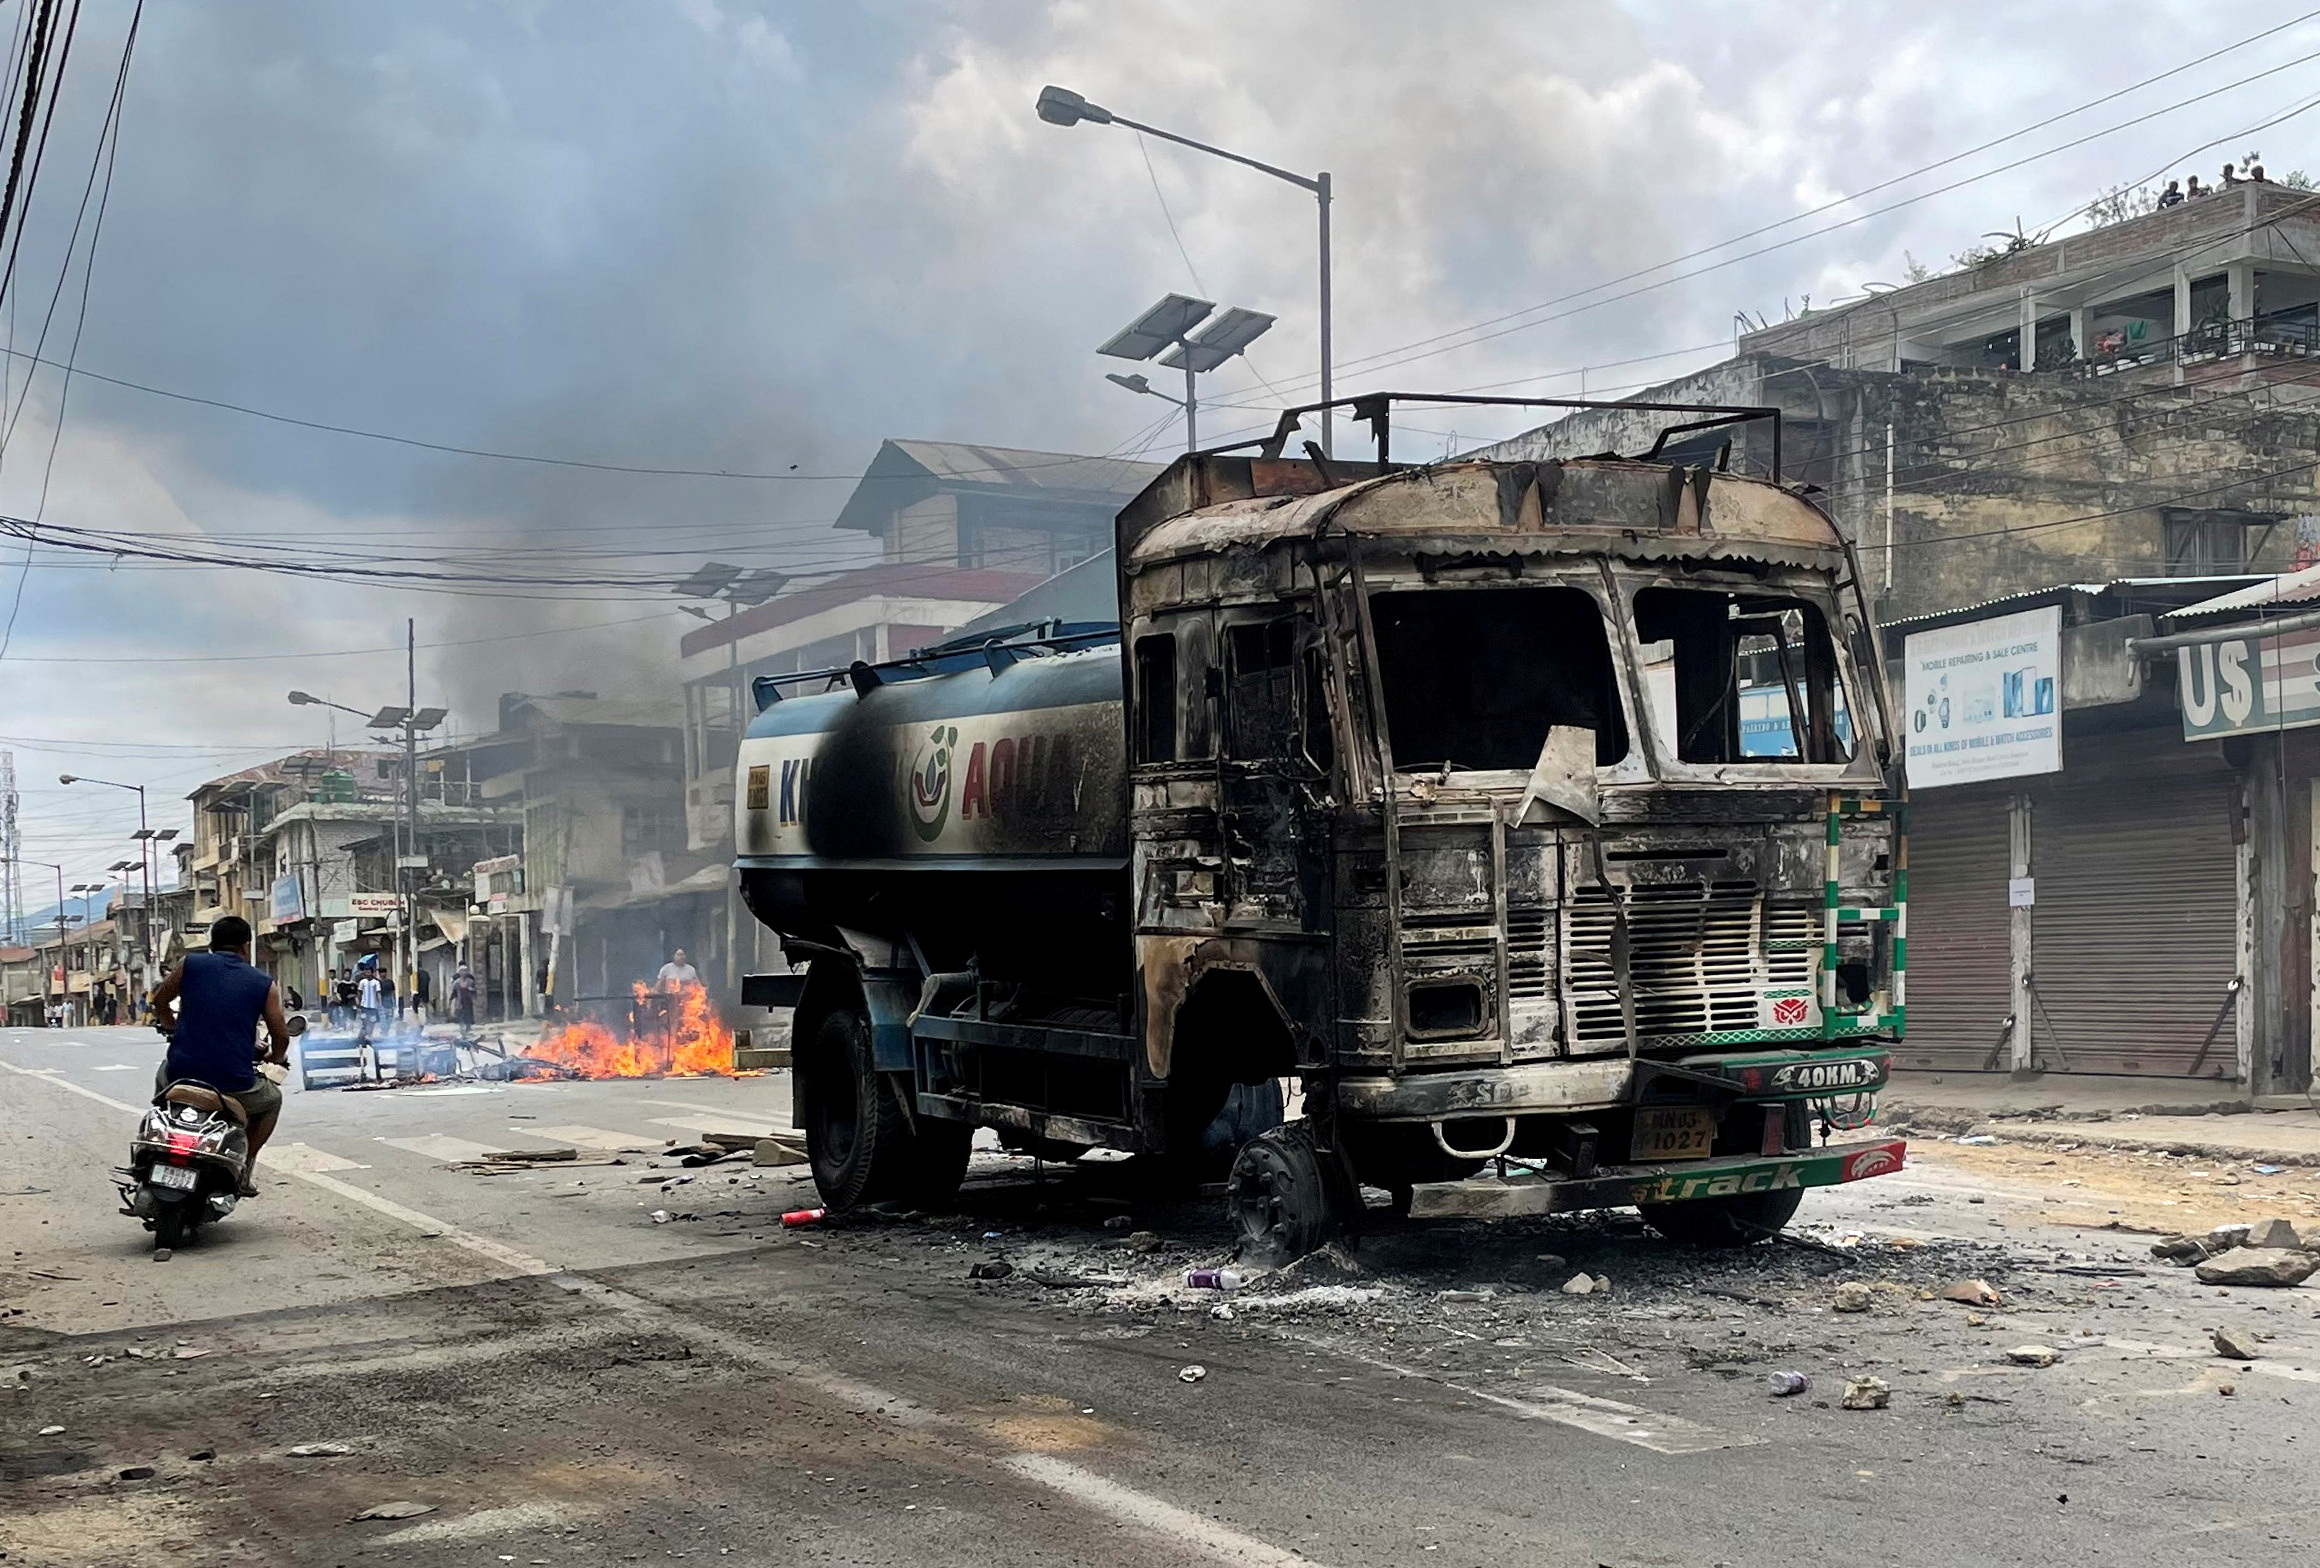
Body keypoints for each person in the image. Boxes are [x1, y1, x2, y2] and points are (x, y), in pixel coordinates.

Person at [148, 914, 289, 1198]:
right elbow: (281, 1036)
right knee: (272, 1100)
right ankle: (243, 1167)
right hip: (233, 1082)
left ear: (211, 943)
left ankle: (154, 1146)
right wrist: (275, 1057)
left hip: (181, 1073)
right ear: (246, 947)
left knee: (161, 1094)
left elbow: (161, 1001)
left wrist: (172, 1028)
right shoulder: (263, 983)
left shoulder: (190, 964)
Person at [356, 967, 382, 1043]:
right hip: (364, 1006)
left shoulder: (376, 982)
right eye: (366, 972)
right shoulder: (362, 982)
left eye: (369, 972)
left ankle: (370, 1035)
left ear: (372, 973)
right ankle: (362, 1036)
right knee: (364, 1021)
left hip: (373, 1006)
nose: (367, 974)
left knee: (372, 1021)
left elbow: (378, 993)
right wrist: (358, 1003)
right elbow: (359, 993)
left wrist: (380, 1003)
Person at [451, 962, 478, 1033]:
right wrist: (451, 1001)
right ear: (459, 972)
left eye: (465, 971)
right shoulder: (456, 983)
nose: (464, 972)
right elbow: (453, 993)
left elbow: (474, 991)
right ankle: (462, 1031)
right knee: (461, 1017)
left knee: (468, 1018)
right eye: (462, 971)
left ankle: (467, 1031)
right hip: (460, 1002)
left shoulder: (470, 982)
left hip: (468, 1002)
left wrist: (474, 999)